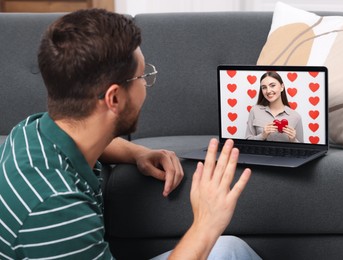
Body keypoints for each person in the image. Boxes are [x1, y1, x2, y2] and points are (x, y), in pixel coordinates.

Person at [0, 9, 261, 259]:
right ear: (114, 98)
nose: (147, 85)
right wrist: (206, 223)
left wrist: (139, 153)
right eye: (143, 76)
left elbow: (92, 144)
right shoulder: (55, 207)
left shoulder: (30, 131)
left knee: (229, 250)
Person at [245, 71, 303, 142]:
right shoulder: (255, 110)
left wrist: (293, 140)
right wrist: (262, 135)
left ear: (282, 87)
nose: (268, 91)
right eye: (264, 87)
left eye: (272, 85)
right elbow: (247, 142)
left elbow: (302, 149)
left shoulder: (296, 116)